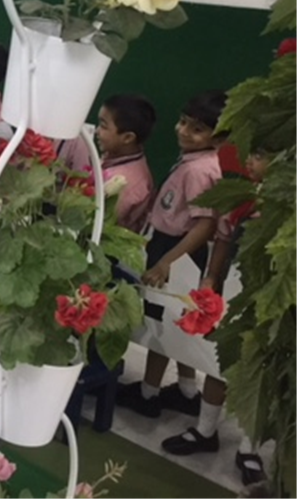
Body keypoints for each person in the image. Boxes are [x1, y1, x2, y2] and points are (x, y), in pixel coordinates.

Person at [161, 148, 272, 484]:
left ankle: (250, 448)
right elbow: (223, 240)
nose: (250, 160)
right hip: (234, 292)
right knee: (220, 360)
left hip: (273, 303)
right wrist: (211, 277)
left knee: (261, 373)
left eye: (261, 155)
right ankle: (205, 429)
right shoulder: (242, 199)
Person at [117, 90, 227, 419]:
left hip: (176, 250)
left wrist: (166, 261)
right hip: (171, 245)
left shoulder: (199, 171)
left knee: (162, 324)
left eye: (197, 129)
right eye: (183, 122)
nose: (183, 131)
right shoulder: (197, 161)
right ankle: (186, 390)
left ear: (218, 138)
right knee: (178, 321)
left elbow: (205, 225)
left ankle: (149, 394)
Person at [96, 94, 157, 233]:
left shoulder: (128, 183)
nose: (97, 131)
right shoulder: (116, 155)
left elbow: (97, 221)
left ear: (127, 137)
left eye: (103, 126)